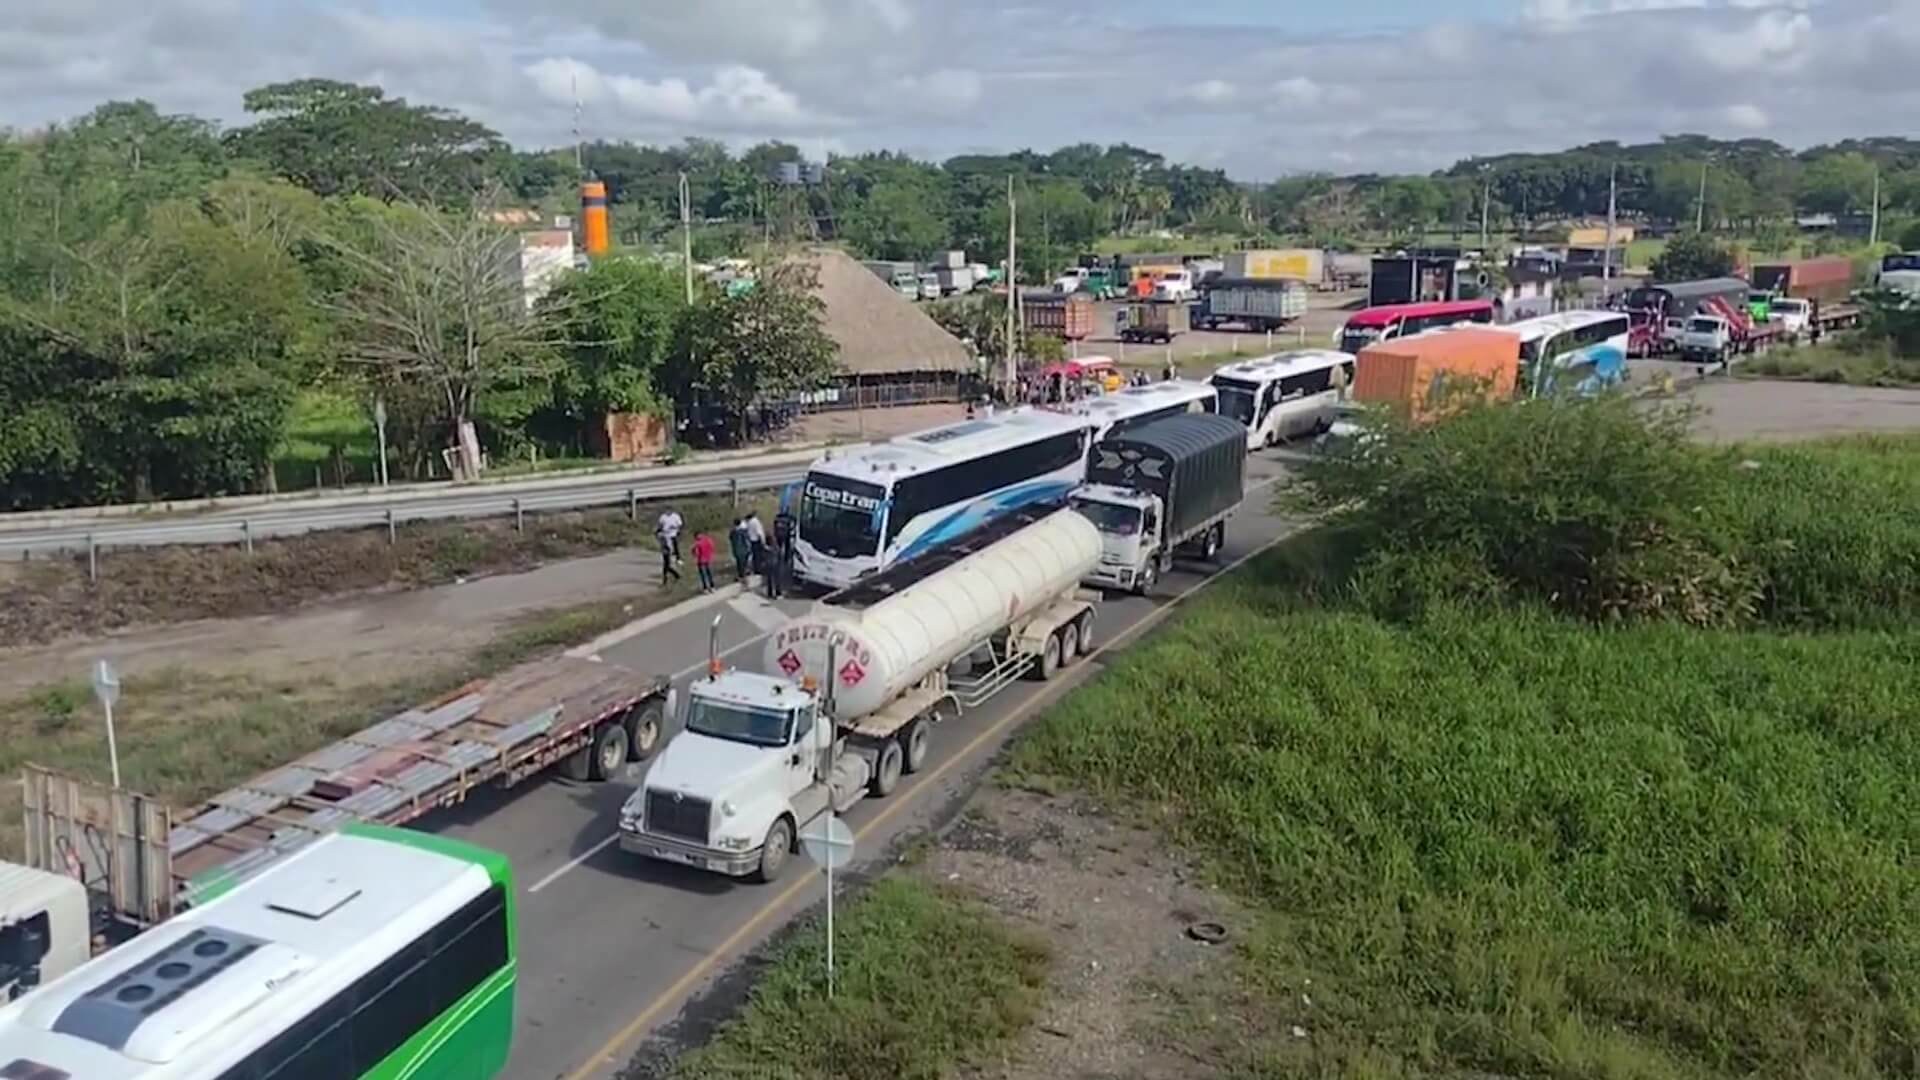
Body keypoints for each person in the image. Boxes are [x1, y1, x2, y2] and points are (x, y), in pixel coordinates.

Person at [769, 507, 797, 599]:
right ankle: (777, 593)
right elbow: (792, 526)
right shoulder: (789, 519)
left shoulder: (777, 519)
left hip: (779, 536)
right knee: (777, 577)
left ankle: (770, 592)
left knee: (771, 577)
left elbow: (774, 527)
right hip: (786, 536)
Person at [745, 512, 768, 582]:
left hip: (752, 541)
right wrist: (763, 542)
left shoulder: (749, 523)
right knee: (758, 556)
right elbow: (759, 532)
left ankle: (755, 569)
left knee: (755, 556)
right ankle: (758, 570)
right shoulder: (756, 522)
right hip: (757, 541)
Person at [728, 517, 751, 583]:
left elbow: (730, 539)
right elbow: (746, 540)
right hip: (744, 549)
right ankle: (743, 576)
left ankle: (741, 575)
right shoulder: (743, 531)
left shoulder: (733, 532)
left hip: (736, 550)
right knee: (743, 563)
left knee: (739, 563)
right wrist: (748, 548)